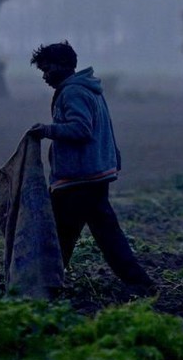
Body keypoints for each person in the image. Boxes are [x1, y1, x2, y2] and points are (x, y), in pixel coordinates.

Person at [26, 41, 156, 294]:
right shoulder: (88, 89)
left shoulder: (73, 92)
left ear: (64, 66)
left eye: (47, 69)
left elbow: (81, 129)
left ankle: (47, 285)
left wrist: (46, 130)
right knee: (104, 232)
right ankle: (139, 281)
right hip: (94, 174)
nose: (44, 76)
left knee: (61, 232)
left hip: (79, 178)